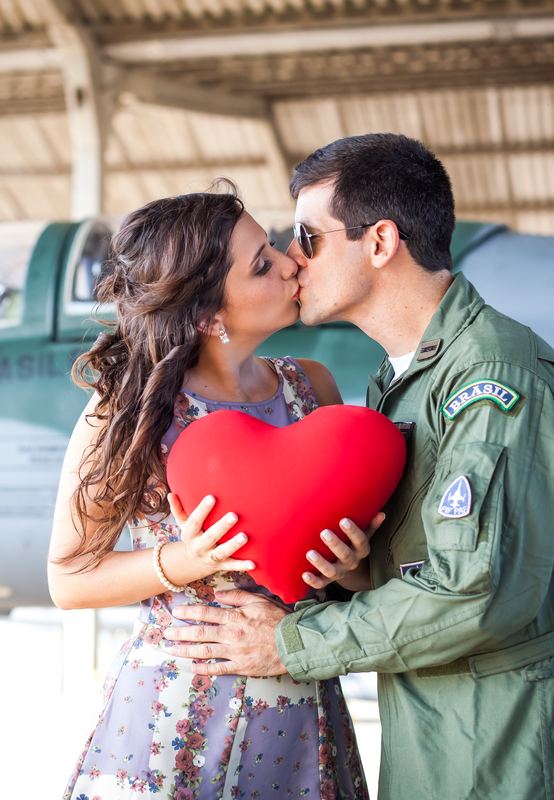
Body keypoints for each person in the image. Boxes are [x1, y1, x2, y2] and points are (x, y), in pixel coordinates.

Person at [164, 135, 554, 799]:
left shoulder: (492, 377)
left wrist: (292, 643)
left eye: (308, 236)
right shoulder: (402, 380)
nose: (292, 260)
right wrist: (352, 565)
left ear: (380, 242)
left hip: (509, 747)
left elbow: (478, 592)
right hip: (437, 731)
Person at [49, 181, 380, 800]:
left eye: (275, 246)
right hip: (168, 725)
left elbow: (348, 581)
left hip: (300, 717)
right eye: (262, 265)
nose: (290, 263)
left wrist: (353, 567)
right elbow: (68, 579)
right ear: (208, 316)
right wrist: (186, 560)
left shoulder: (313, 389)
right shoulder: (126, 411)